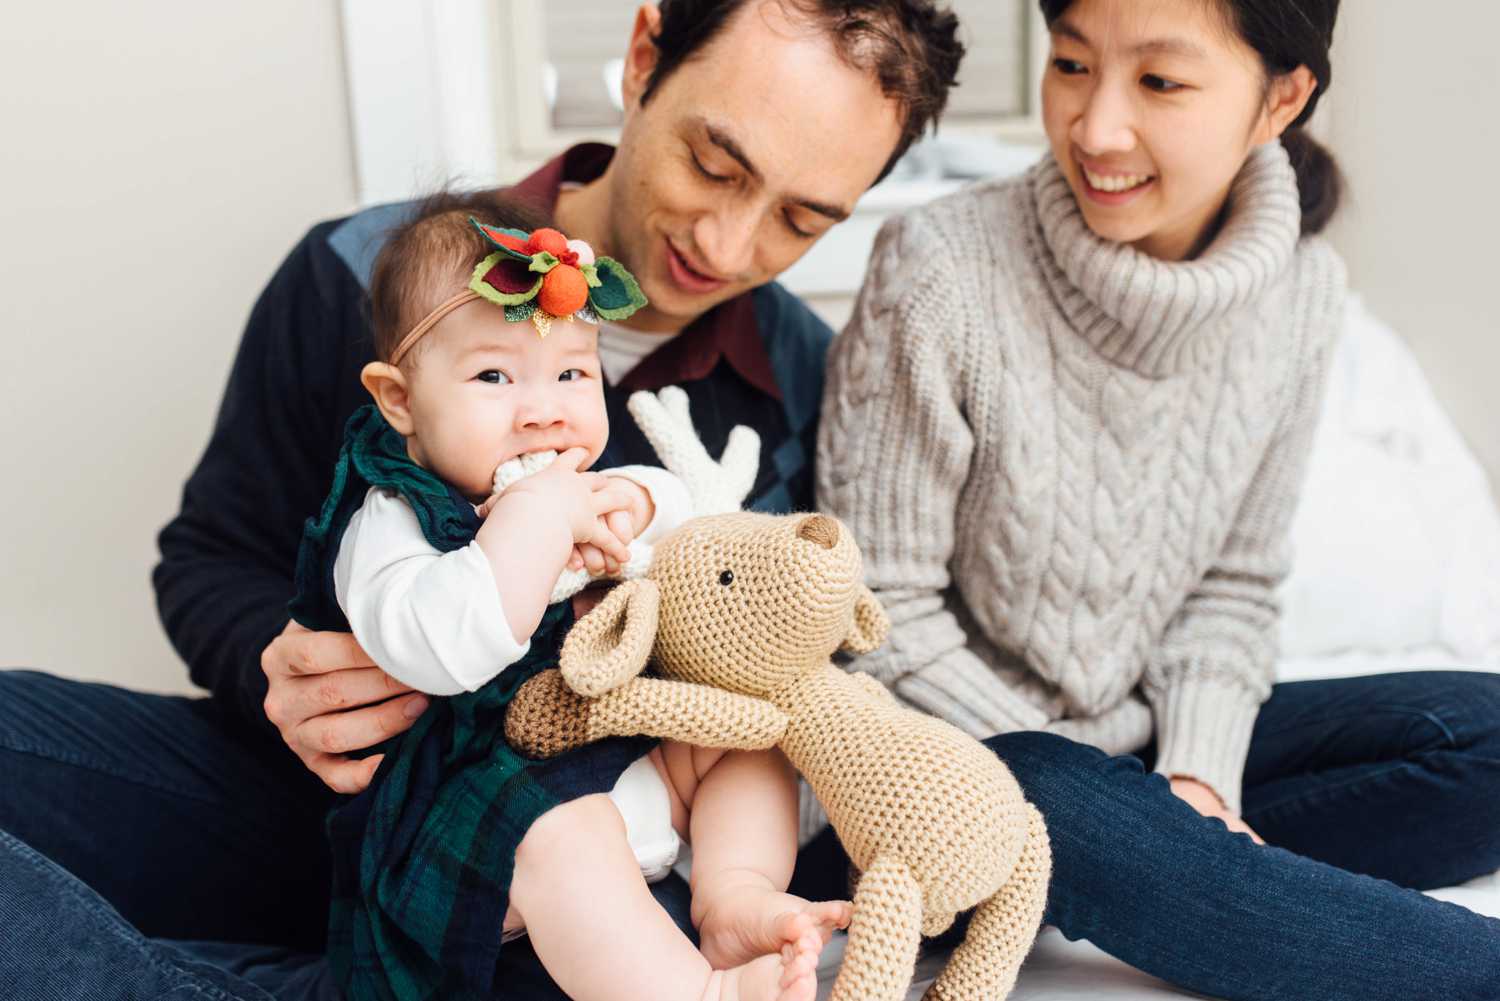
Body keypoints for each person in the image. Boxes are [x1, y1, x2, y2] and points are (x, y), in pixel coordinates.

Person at [0, 2, 963, 998]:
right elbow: (210, 554)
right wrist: (288, 675)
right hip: (309, 792)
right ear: (643, 61)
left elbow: (790, 658)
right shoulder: (361, 274)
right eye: (715, 165)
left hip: (588, 852)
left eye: (803, 219)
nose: (728, 243)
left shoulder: (802, 383)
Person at [811, 0, 1500, 998]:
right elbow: (878, 617)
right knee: (1055, 791)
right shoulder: (940, 266)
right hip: (957, 753)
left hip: (1139, 755)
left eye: (1161, 82)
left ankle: (1188, 876)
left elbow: (1234, 583)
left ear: (1283, 99)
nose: (1095, 127)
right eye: (1074, 64)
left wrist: (1198, 780)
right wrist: (1121, 792)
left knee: (1483, 730)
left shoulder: (1303, 292)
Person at [303, 198, 849, 1001]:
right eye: (494, 375)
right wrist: (530, 522)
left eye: (571, 372)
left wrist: (639, 498)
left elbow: (688, 522)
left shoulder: (577, 477)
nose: (546, 408)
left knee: (745, 735)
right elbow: (440, 647)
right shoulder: (391, 520)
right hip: (488, 816)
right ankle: (701, 994)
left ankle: (733, 894)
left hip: (628, 760)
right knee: (564, 834)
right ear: (399, 399)